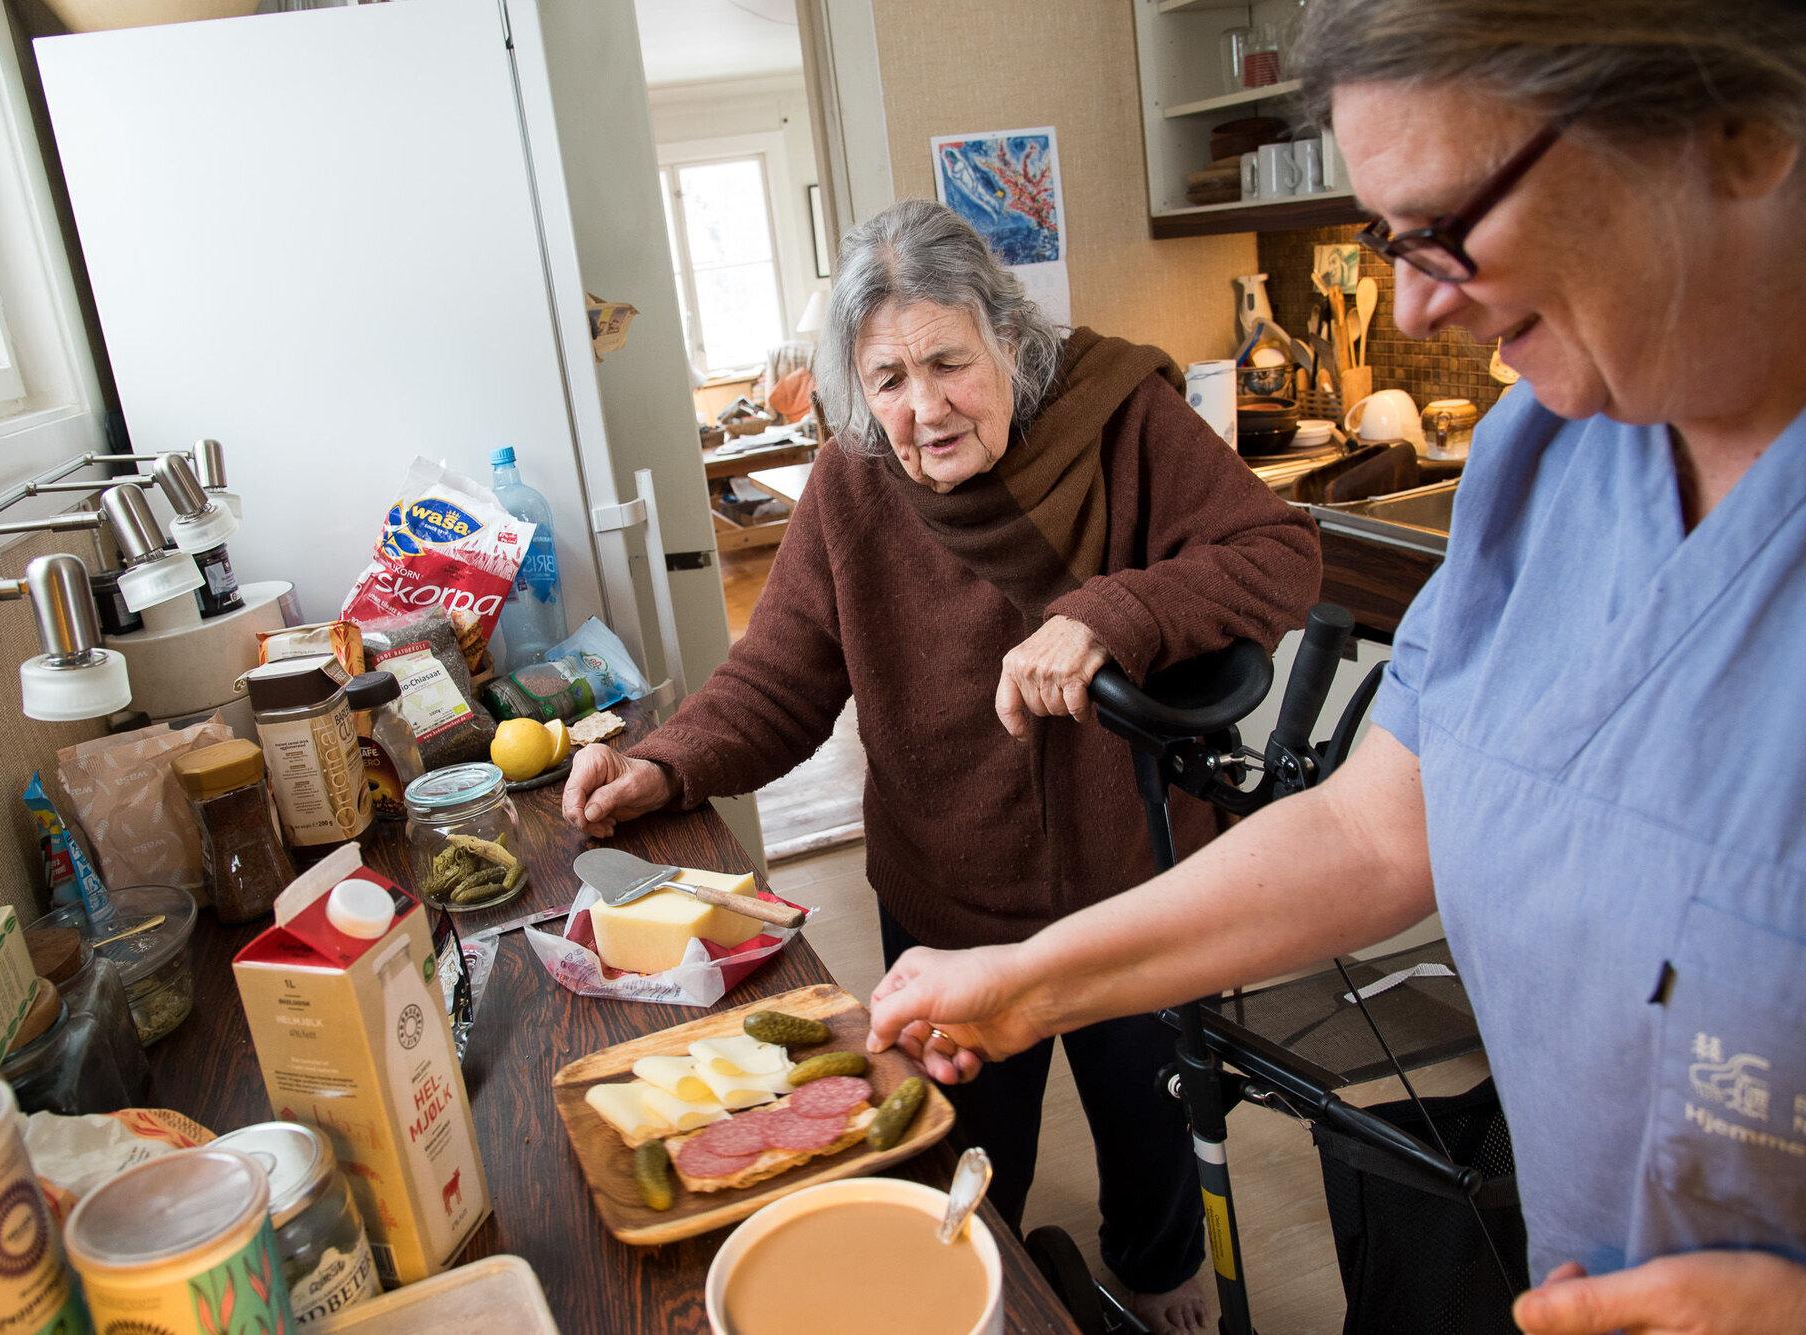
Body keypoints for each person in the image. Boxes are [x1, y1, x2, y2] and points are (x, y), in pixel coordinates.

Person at [866, 5, 1806, 1333]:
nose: (1414, 299)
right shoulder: (1547, 451)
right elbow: (1380, 823)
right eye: (1387, 237)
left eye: (1444, 223)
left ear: (1740, 131)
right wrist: (1028, 977)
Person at [563, 199, 1320, 1333]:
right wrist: (664, 765)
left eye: (947, 363)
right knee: (963, 1164)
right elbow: (776, 681)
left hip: (1137, 885)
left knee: (1152, 1137)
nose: (923, 409)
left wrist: (1111, 611)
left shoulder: (1127, 422)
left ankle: (1158, 1289)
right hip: (950, 901)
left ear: (1005, 339)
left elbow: (1277, 552)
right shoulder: (850, 486)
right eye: (887, 380)